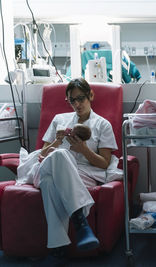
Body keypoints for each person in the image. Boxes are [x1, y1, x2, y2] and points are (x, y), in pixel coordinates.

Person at [35, 78, 121, 265]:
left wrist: (83, 150)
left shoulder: (102, 125)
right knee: (59, 155)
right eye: (72, 100)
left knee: (49, 182)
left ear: (91, 95)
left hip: (83, 173)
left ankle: (57, 250)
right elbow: (41, 155)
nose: (77, 104)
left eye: (81, 98)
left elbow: (105, 163)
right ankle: (80, 220)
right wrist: (57, 143)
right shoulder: (60, 120)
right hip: (50, 165)